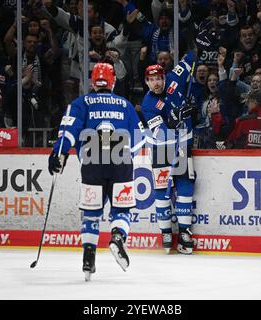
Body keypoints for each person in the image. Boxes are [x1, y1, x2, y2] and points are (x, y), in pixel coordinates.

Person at [48, 62, 144, 281]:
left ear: (93, 82)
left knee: (91, 213)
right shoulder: (125, 104)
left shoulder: (81, 103)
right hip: (121, 161)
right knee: (122, 210)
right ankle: (118, 236)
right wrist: (129, 156)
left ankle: (88, 257)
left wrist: (59, 153)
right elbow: (140, 138)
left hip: (92, 163)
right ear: (113, 82)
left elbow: (68, 130)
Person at [138, 51, 198, 255]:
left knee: (185, 185)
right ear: (146, 82)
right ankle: (165, 231)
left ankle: (183, 231)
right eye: (152, 80)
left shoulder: (174, 78)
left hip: (183, 145)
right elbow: (161, 132)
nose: (156, 83)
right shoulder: (147, 104)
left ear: (165, 77)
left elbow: (190, 60)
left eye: (159, 78)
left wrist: (199, 45)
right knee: (162, 189)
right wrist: (174, 117)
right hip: (162, 148)